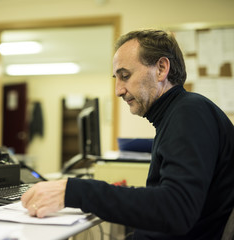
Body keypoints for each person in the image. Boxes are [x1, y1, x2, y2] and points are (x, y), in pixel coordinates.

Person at [21, 29, 234, 239]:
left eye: (125, 76)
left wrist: (74, 191)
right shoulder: (177, 114)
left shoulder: (189, 112)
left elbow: (177, 209)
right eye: (116, 78)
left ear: (161, 68)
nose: (118, 90)